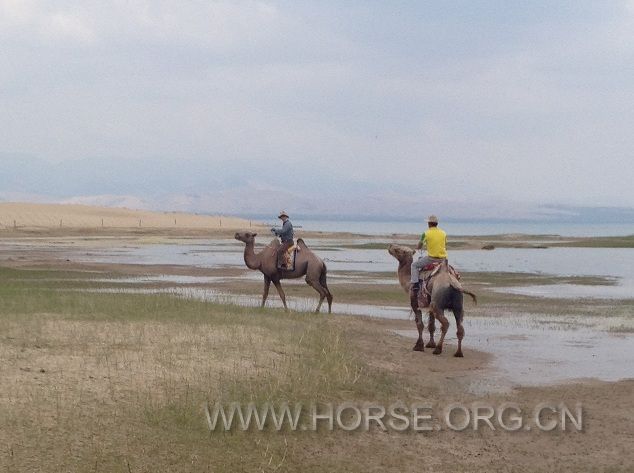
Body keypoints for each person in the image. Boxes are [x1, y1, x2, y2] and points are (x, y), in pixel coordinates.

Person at [410, 215, 448, 294]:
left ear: (429, 224)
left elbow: (420, 245)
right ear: (437, 224)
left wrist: (414, 250)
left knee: (414, 265)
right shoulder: (443, 233)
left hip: (431, 259)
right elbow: (444, 244)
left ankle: (415, 285)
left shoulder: (426, 233)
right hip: (444, 259)